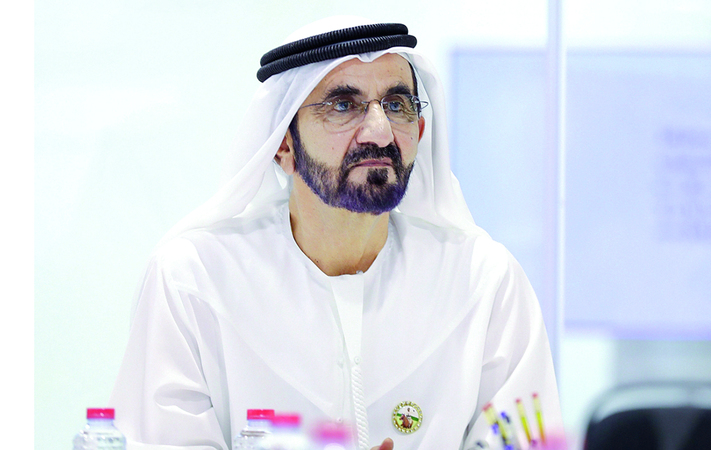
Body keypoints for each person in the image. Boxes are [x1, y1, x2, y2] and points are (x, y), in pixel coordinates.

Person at [109, 16, 563, 450]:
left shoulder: (484, 283)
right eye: (343, 106)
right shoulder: (194, 280)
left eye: (396, 105)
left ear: (420, 131)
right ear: (283, 145)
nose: (380, 132)